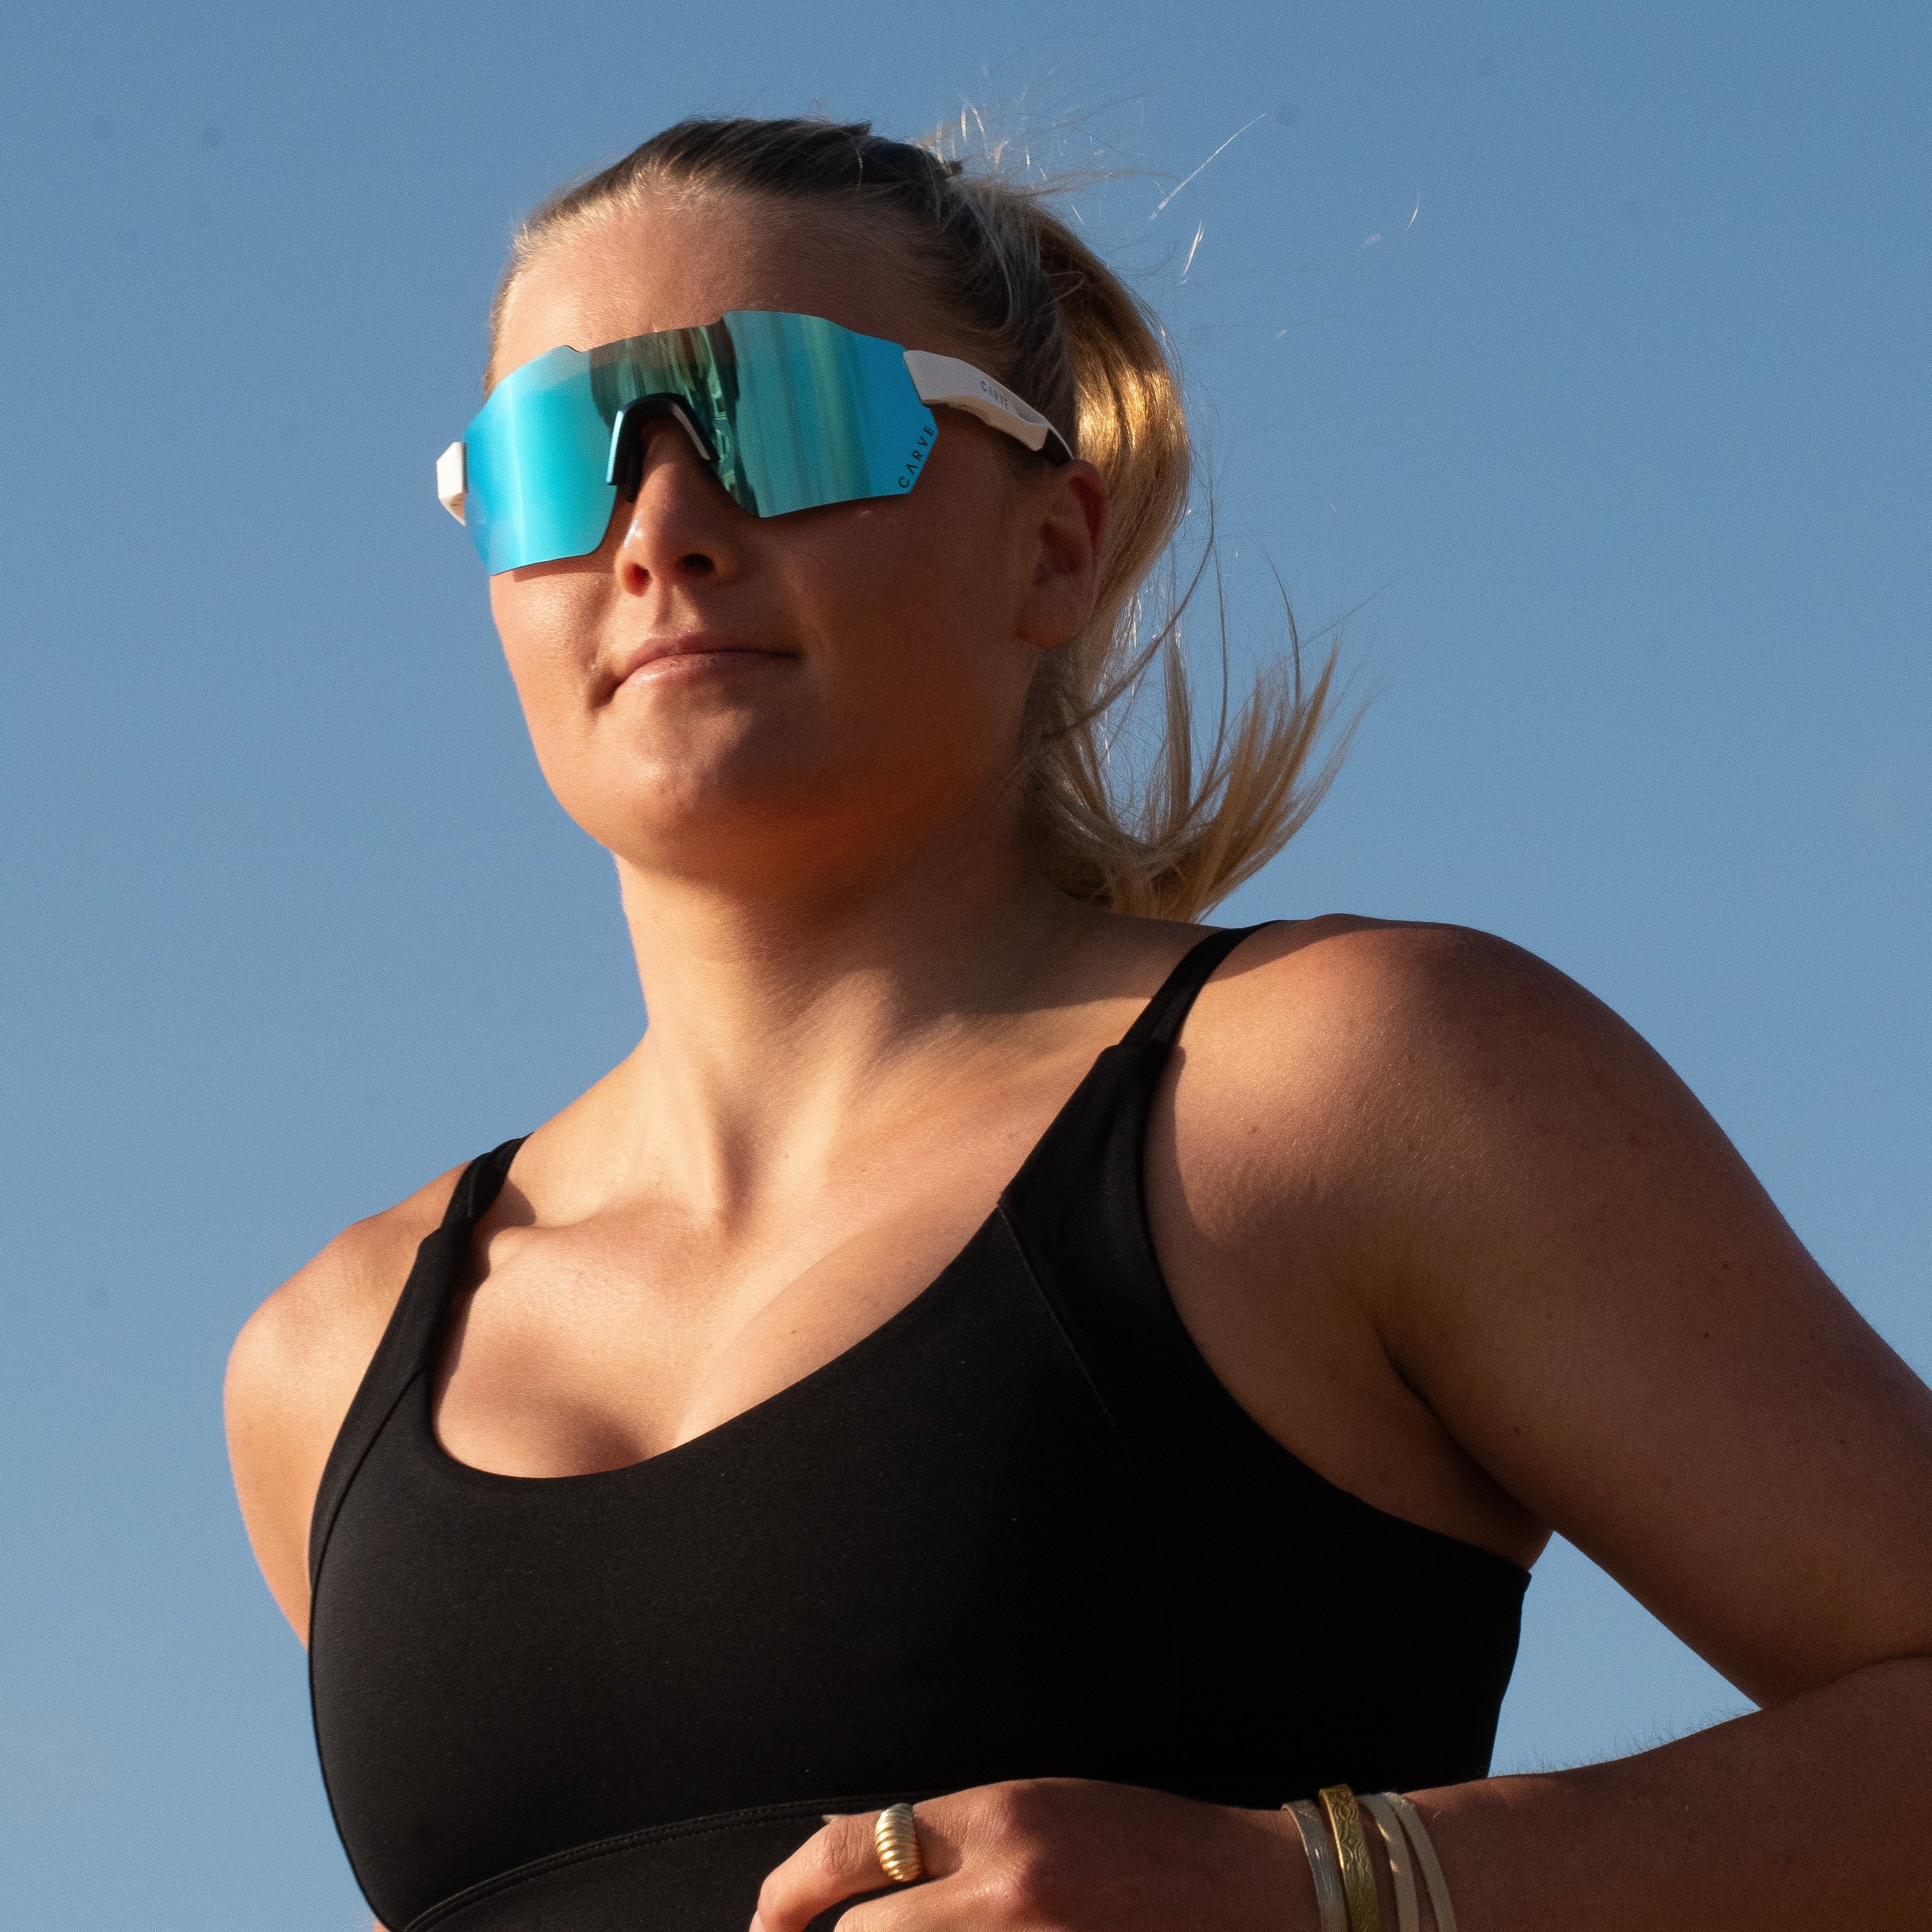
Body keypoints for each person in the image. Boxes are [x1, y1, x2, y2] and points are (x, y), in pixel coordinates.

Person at [224, 116, 1932, 1932]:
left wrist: (1315, 1890)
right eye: (556, 461)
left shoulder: (1343, 1085)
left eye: (782, 415)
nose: (659, 530)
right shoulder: (323, 1367)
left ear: (1054, 545)